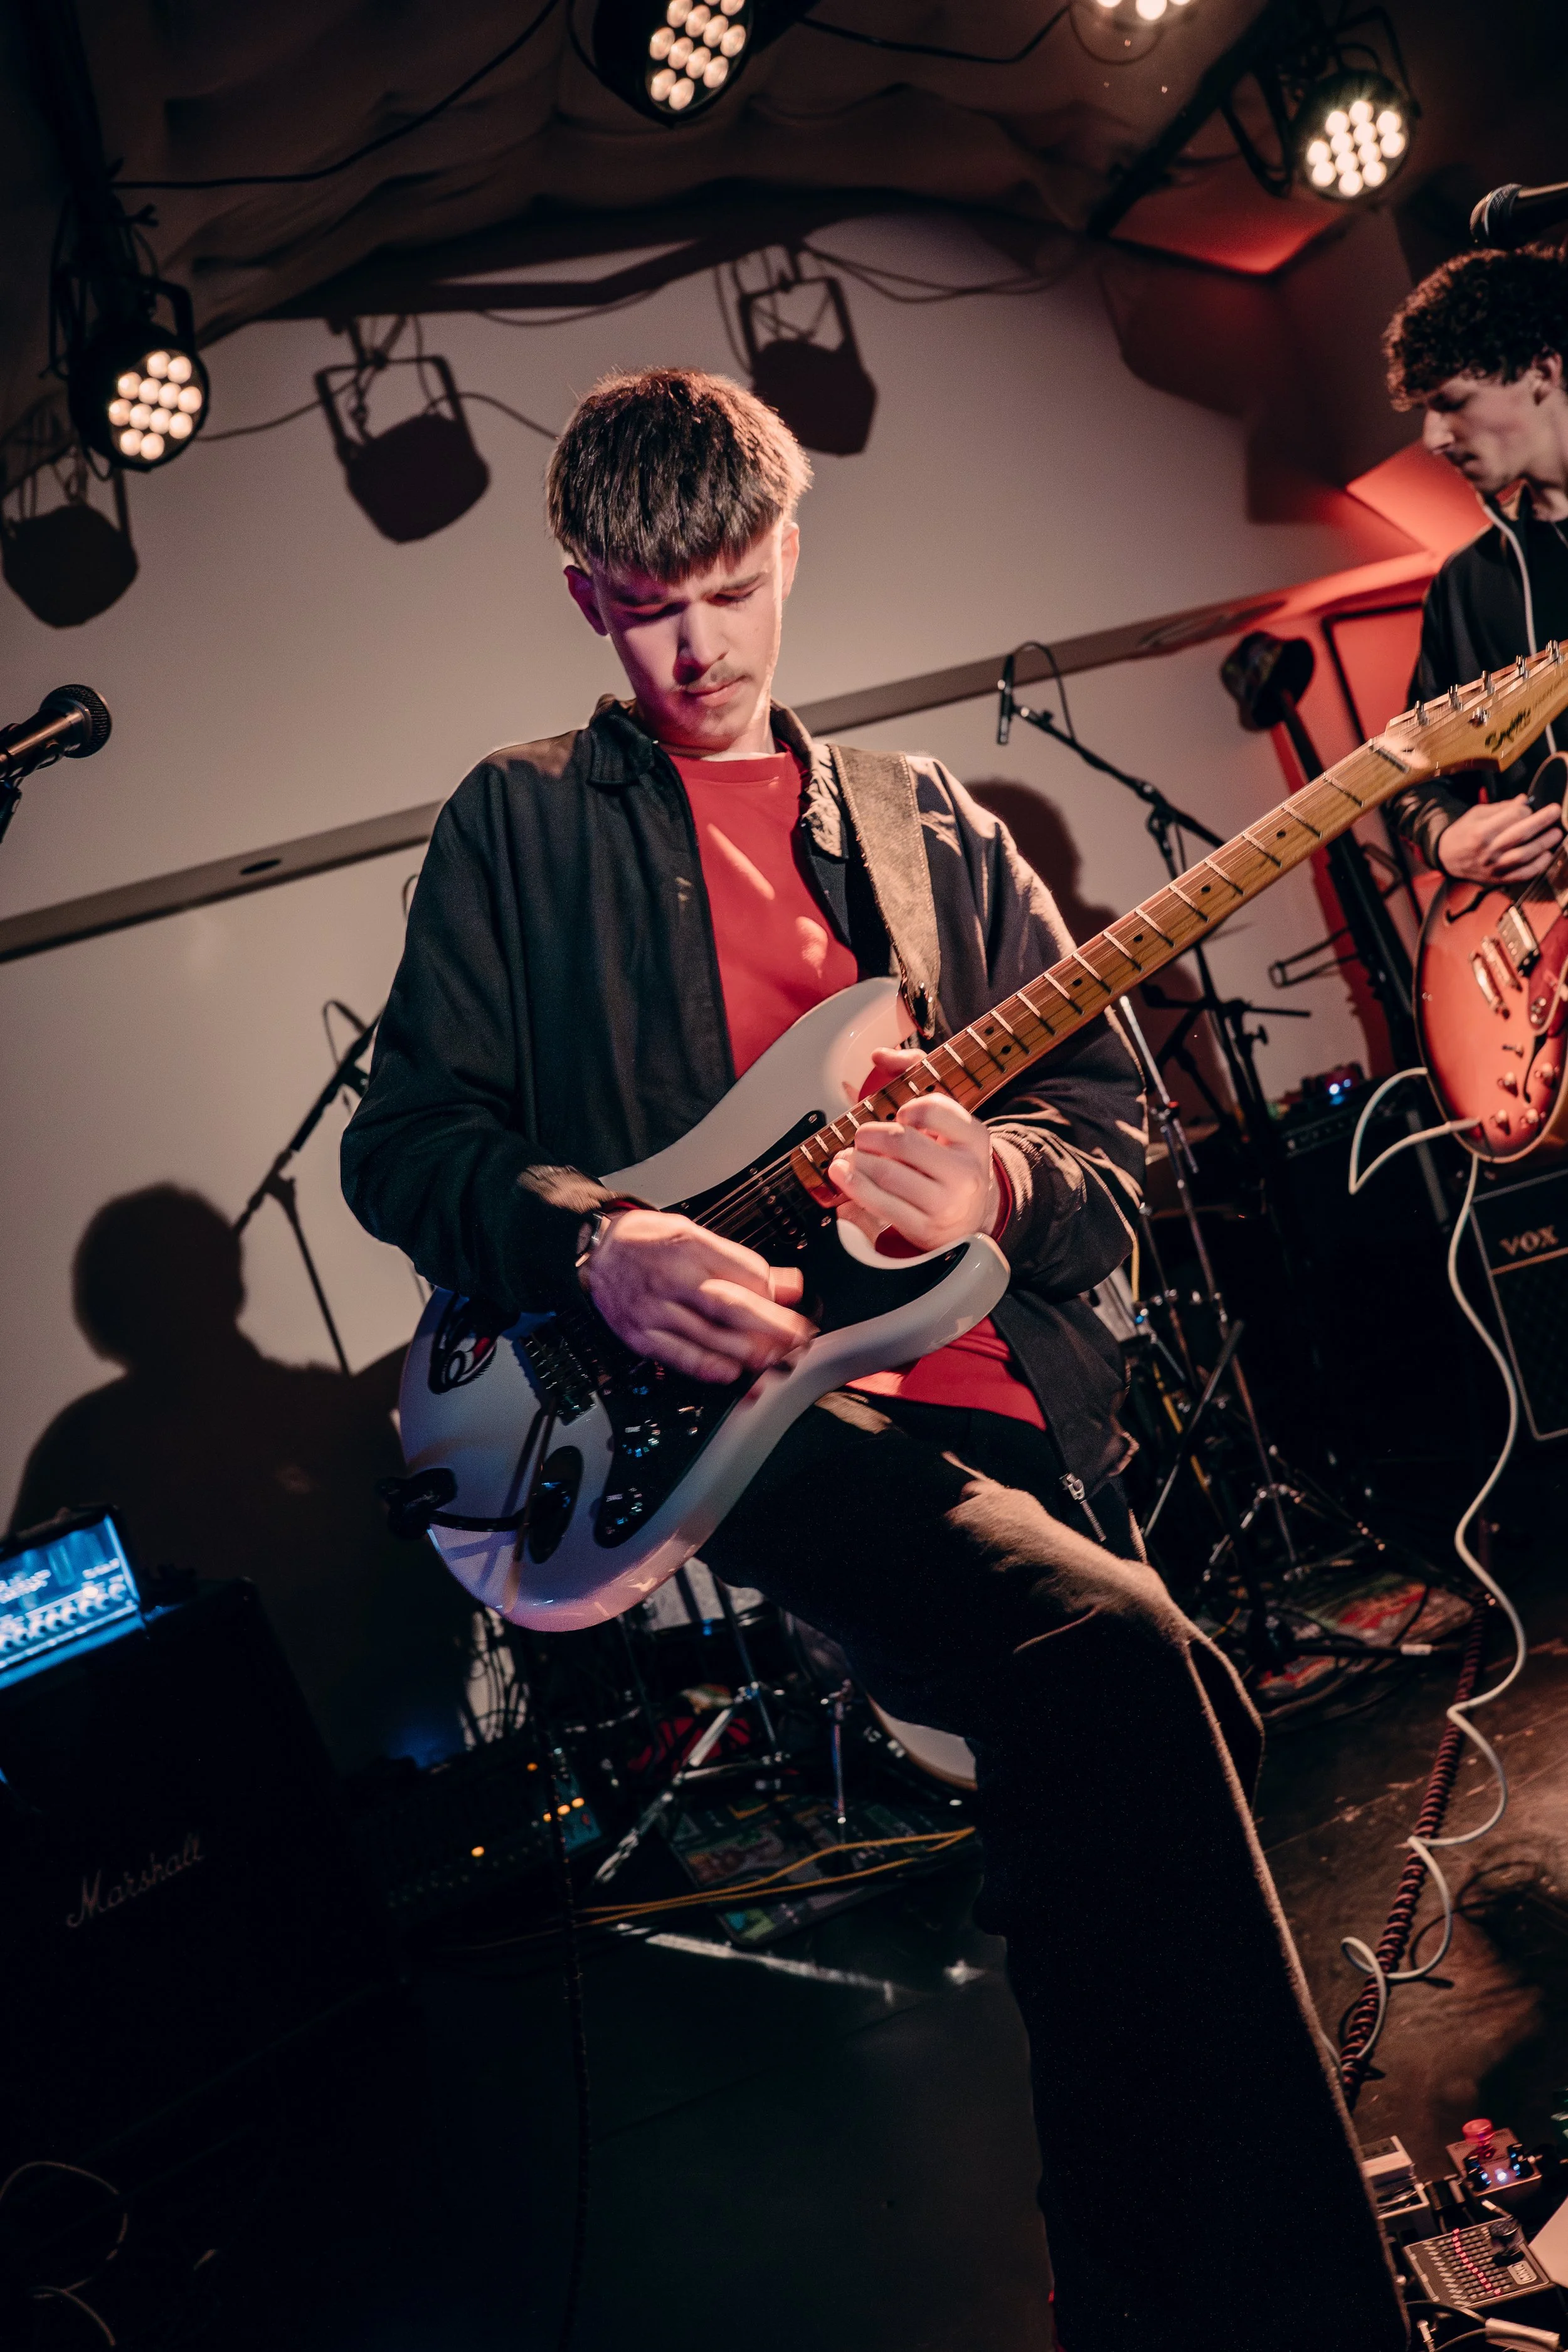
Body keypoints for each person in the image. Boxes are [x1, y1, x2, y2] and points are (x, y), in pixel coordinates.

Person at [341, 368, 1404, 2349]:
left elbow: (1118, 1139)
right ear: (584, 597)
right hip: (730, 1419)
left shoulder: (928, 829)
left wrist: (999, 1163)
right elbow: (402, 1144)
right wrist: (595, 1239)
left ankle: (1144, 2292)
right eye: (646, 602)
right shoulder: (516, 824)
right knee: (1117, 1662)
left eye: (732, 587)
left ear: (788, 553)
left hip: (994, 1400)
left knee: (1135, 1799)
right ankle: (1293, 2305)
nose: (696, 644)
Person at [11, 1185, 475, 1774]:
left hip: (373, 1752)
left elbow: (431, 1570)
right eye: (152, 1284)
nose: (172, 1303)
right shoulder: (84, 1447)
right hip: (204, 1778)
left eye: (178, 1274)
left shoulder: (326, 1407)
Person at [1383, 243, 1568, 885]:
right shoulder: (1465, 587)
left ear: (1541, 371)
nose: (1432, 439)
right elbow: (1404, 774)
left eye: (1451, 402)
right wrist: (1446, 836)